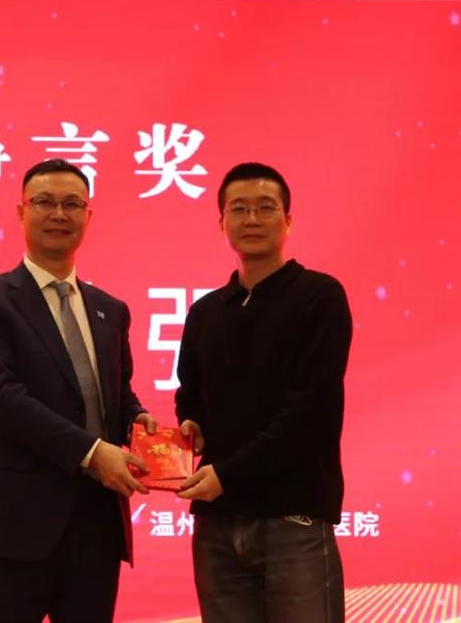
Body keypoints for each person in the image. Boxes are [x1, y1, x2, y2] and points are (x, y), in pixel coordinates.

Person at [0, 158, 158, 622]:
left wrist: (137, 420)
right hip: (14, 523)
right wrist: (93, 453)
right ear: (21, 211)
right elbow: (2, 399)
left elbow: (116, 393)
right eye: (45, 202)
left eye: (72, 204)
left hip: (96, 523)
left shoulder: (110, 309)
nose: (59, 214)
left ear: (88, 215)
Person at [175, 162, 352, 623]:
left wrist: (227, 474)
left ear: (287, 221)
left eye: (265, 208)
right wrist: (189, 427)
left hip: (293, 517)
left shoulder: (319, 297)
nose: (251, 219)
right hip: (217, 522)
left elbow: (311, 411)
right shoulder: (205, 312)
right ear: (221, 222)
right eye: (239, 209)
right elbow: (190, 394)